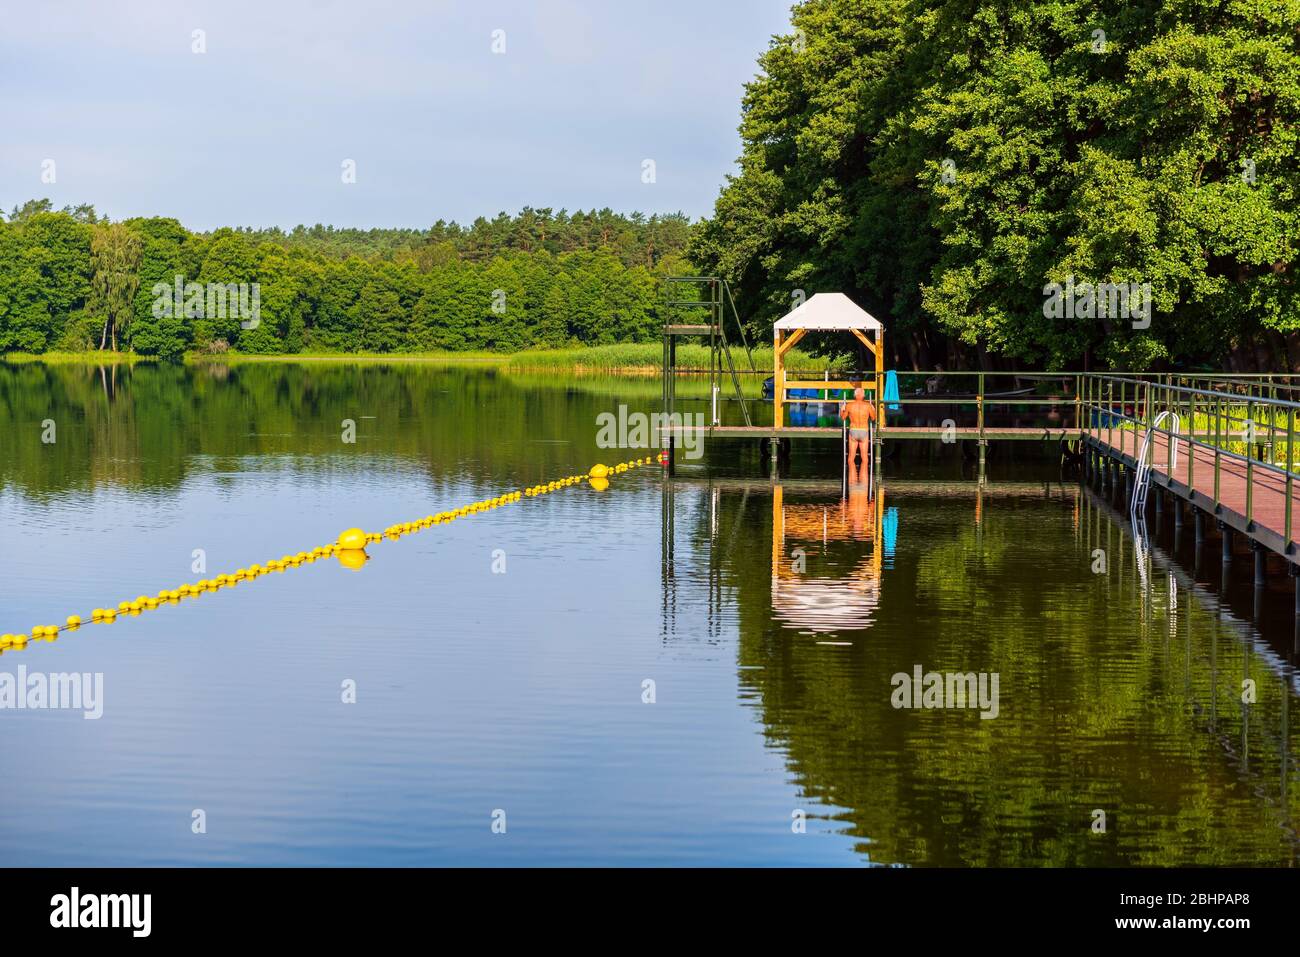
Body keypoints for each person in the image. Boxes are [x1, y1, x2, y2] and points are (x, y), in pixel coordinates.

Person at [839, 386, 877, 471]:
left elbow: (843, 418)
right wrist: (873, 409)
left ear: (854, 395)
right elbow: (873, 418)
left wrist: (841, 410)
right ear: (863, 395)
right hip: (864, 431)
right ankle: (864, 481)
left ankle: (852, 481)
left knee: (851, 457)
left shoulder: (849, 405)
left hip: (853, 431)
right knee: (864, 457)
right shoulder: (868, 406)